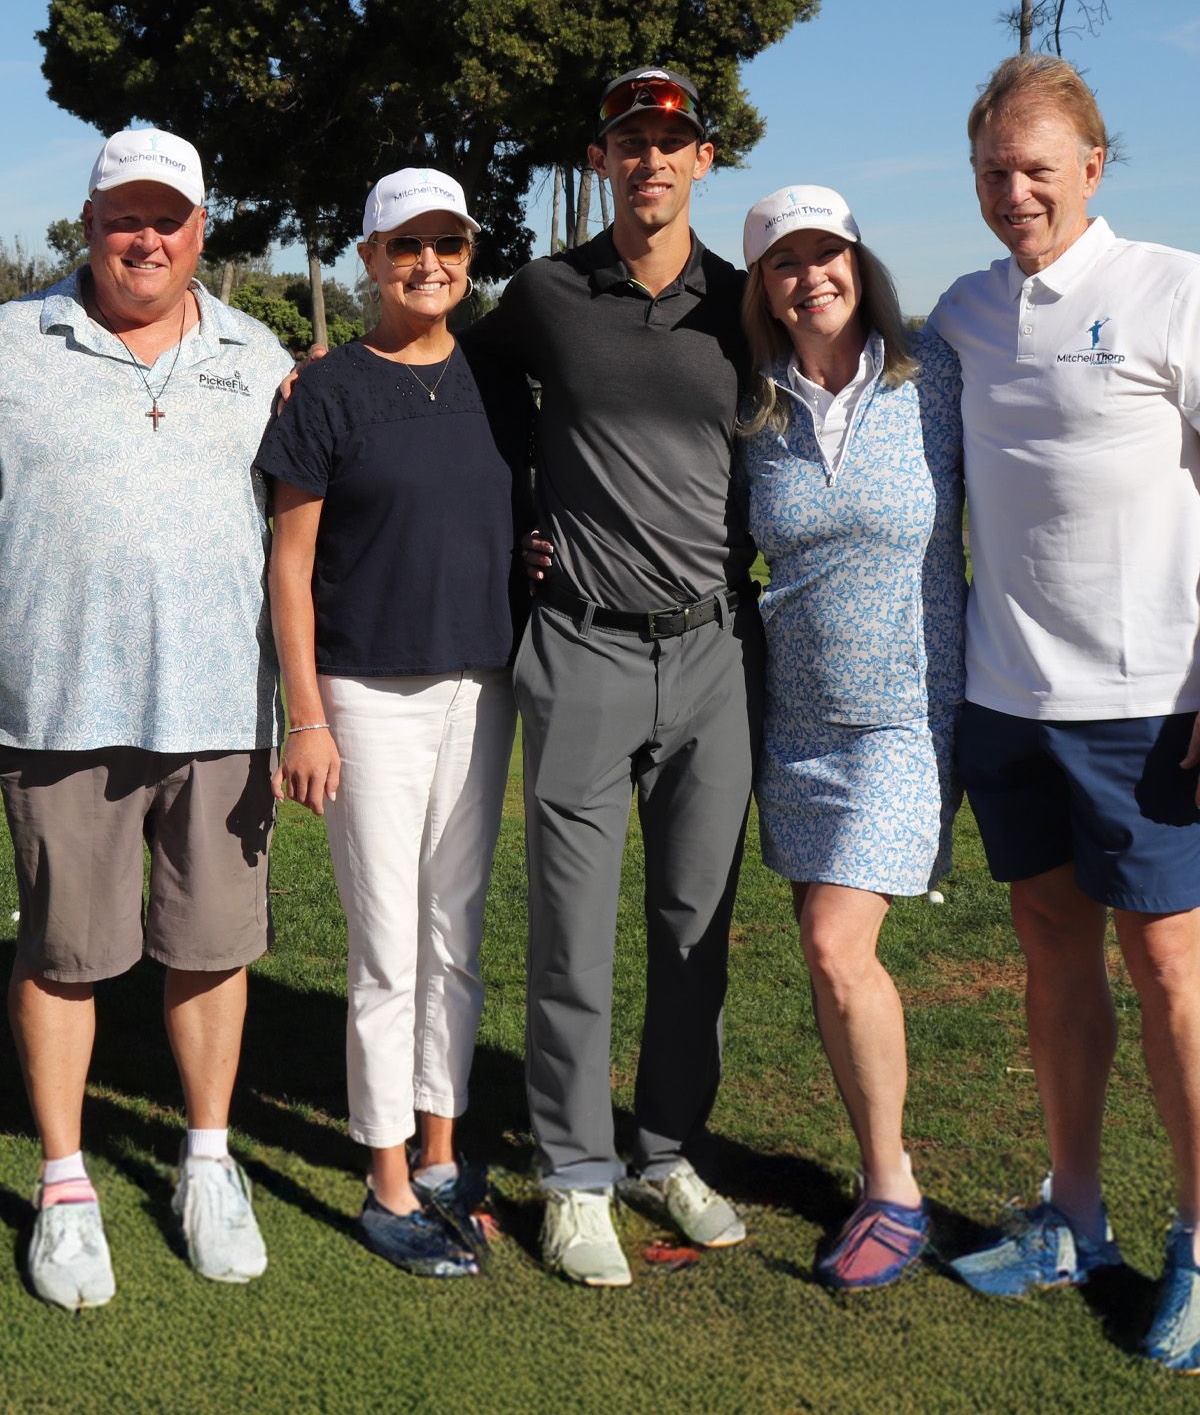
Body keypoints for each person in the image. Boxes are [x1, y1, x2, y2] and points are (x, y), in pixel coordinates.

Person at [928, 55, 1200, 1373]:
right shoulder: (967, 312)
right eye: (993, 170)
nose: (1014, 191)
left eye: (1039, 167)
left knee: (1172, 977)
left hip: (1154, 708)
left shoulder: (1172, 288)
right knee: (1053, 955)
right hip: (1008, 702)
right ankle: (1075, 1216)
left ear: (1095, 165)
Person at [471, 67, 765, 1286]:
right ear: (601, 161)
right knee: (572, 930)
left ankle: (660, 1146)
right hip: (583, 645)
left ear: (703, 162)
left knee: (697, 925)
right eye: (629, 141)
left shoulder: (742, 305)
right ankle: (572, 1171)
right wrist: (524, 510)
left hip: (714, 653)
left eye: (672, 141)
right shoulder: (545, 294)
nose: (651, 159)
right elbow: (466, 388)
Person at [0, 128, 295, 1310]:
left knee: (211, 947)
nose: (146, 236)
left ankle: (208, 1161)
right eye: (124, 213)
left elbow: (304, 529)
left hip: (224, 708)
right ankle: (67, 1185)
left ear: (201, 231)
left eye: (168, 216)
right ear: (88, 223)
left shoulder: (257, 351)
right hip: (59, 705)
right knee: (65, 951)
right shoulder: (14, 346)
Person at [256, 169, 533, 1278]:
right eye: (405, 246)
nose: (429, 264)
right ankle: (382, 1181)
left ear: (470, 254)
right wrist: (305, 717)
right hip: (365, 696)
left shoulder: (499, 382)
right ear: (368, 260)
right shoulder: (325, 394)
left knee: (455, 936)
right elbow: (291, 566)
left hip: (481, 686)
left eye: (448, 244)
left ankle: (441, 1151)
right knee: (387, 949)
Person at [737, 186, 965, 1290]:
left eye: (829, 254)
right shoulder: (753, 404)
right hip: (798, 720)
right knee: (828, 966)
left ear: (861, 265)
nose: (811, 275)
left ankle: (895, 1187)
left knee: (838, 944)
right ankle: (881, 1167)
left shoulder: (938, 379)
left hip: (908, 717)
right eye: (786, 262)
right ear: (763, 290)